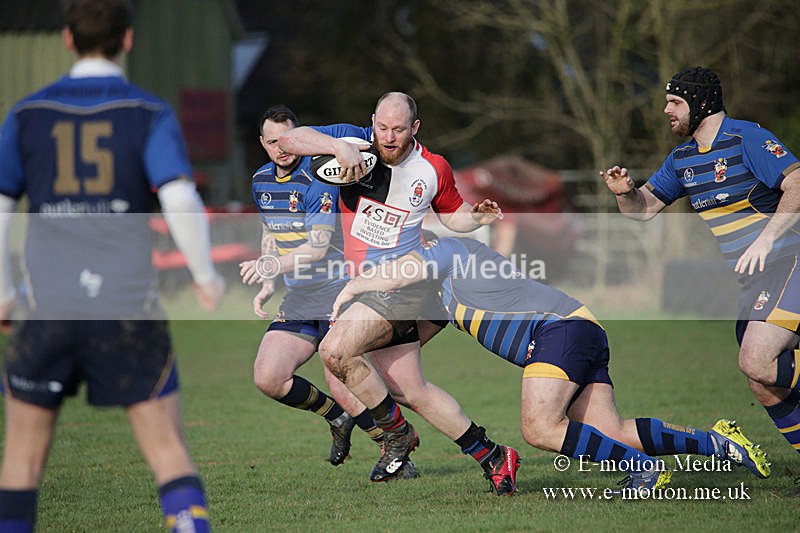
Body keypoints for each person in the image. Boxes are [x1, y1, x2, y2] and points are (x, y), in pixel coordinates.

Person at [0, 1, 226, 531]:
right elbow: (179, 197)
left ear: (66, 39)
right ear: (128, 40)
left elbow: (1, 207)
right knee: (168, 449)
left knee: (22, 459)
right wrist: (204, 276)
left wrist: (3, 290)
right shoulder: (147, 113)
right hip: (126, 306)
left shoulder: (27, 114)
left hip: (46, 306)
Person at [331, 235, 772, 491]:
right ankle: (717, 442)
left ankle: (644, 469)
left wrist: (352, 288)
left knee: (539, 427)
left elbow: (404, 271)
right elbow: (409, 347)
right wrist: (361, 360)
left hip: (558, 332)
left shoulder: (452, 250)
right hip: (579, 329)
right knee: (611, 433)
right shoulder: (444, 298)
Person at [278, 92, 520, 495]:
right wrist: (336, 146)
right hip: (368, 285)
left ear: (415, 128)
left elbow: (453, 214)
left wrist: (475, 217)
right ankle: (493, 457)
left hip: (404, 282)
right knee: (409, 389)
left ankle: (396, 436)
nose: (388, 137)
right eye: (383, 127)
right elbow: (289, 141)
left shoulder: (433, 167)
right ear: (372, 121)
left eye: (398, 129)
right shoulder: (353, 144)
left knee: (335, 351)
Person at [600, 66, 800, 458]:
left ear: (701, 103)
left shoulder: (747, 138)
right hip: (756, 281)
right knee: (763, 381)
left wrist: (766, 239)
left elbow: (797, 183)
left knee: (758, 360)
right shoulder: (683, 159)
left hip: (789, 261)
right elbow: (643, 209)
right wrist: (625, 194)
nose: (665, 110)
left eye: (675, 102)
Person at [238, 105, 416, 477]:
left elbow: (316, 247)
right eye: (273, 142)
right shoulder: (260, 180)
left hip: (338, 293)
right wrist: (269, 280)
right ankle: (336, 419)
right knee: (268, 378)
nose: (282, 149)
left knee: (346, 382)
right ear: (263, 143)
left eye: (286, 140)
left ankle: (398, 459)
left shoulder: (319, 177)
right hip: (300, 298)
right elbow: (272, 230)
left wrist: (268, 266)